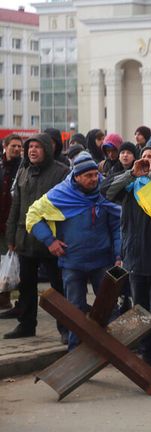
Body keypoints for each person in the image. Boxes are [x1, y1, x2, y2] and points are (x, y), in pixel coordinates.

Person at [100, 138, 151, 377]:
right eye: (144, 155)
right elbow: (105, 190)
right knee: (140, 312)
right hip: (135, 258)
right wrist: (131, 174)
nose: (147, 160)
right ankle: (145, 357)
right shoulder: (131, 184)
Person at [27, 153, 122, 351]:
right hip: (72, 263)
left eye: (96, 174)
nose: (94, 179)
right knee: (75, 310)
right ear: (76, 177)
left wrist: (119, 255)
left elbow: (117, 225)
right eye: (88, 176)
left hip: (102, 261)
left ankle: (114, 350)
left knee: (108, 308)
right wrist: (50, 241)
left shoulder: (105, 192)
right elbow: (32, 216)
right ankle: (75, 351)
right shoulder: (60, 194)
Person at [3, 134, 70, 339]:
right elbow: (17, 205)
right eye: (30, 147)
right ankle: (27, 324)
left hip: (52, 239)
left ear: (47, 150)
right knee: (27, 286)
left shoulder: (61, 172)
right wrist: (11, 235)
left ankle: (65, 327)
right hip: (25, 237)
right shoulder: (23, 171)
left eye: (37, 147)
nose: (32, 150)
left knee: (58, 286)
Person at [0, 135, 23, 311]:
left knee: (11, 261)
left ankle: (8, 298)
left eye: (19, 146)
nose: (16, 149)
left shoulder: (23, 167)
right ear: (5, 146)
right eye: (13, 146)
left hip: (13, 222)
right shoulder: (1, 167)